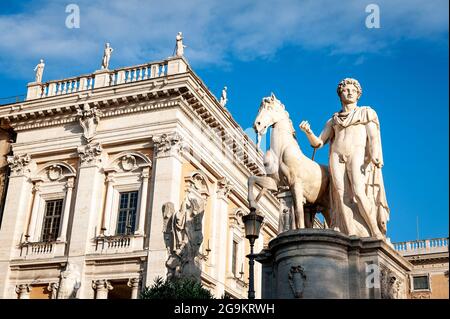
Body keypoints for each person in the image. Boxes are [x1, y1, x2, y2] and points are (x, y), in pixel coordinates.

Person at [299, 78, 389, 238]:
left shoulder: (366, 112)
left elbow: (373, 137)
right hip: (336, 155)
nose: (349, 92)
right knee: (340, 196)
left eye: (353, 90)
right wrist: (308, 132)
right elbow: (319, 143)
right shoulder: (333, 119)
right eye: (346, 90)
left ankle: (375, 231)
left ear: (358, 94)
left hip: (356, 153)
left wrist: (375, 153)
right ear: (340, 94)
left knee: (359, 192)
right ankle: (351, 233)